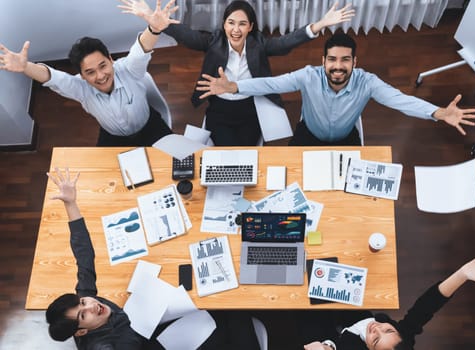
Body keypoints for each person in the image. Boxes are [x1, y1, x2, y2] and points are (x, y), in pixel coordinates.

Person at [45, 167, 261, 349]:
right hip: (164, 343)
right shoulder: (107, 346)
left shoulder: (88, 302)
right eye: (83, 315)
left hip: (155, 322)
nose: (92, 306)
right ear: (81, 332)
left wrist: (70, 204)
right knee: (232, 311)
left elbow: (84, 254)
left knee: (221, 304)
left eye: (83, 302)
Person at [126, 0, 355, 145]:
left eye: (242, 24)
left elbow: (287, 42)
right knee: (225, 152)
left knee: (246, 152)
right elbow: (187, 35)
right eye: (231, 23)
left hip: (250, 107)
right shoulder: (213, 41)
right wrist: (153, 21)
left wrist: (320, 24)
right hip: (220, 108)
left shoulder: (259, 45)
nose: (236, 30)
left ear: (250, 27)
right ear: (224, 24)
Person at [196, 32, 475, 146]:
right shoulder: (309, 76)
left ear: (355, 62)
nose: (338, 66)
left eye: (345, 60)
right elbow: (272, 83)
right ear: (324, 61)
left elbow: (400, 100)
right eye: (332, 59)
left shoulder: (367, 82)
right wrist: (234, 85)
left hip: (346, 138)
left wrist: (438, 112)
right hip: (309, 135)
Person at [0, 0, 178, 147]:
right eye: (90, 72)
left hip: (149, 126)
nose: (100, 76)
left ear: (111, 59)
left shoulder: (129, 69)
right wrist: (26, 68)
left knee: (175, 164)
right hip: (114, 137)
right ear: (82, 76)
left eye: (103, 66)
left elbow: (141, 51)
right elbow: (53, 78)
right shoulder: (81, 88)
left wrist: (154, 29)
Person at [300, 252, 475, 350]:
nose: (376, 328)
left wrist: (326, 347)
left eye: (375, 340)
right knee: (330, 267)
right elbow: (428, 305)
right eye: (388, 330)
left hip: (325, 334)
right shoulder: (404, 335)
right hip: (351, 315)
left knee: (301, 301)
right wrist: (462, 274)